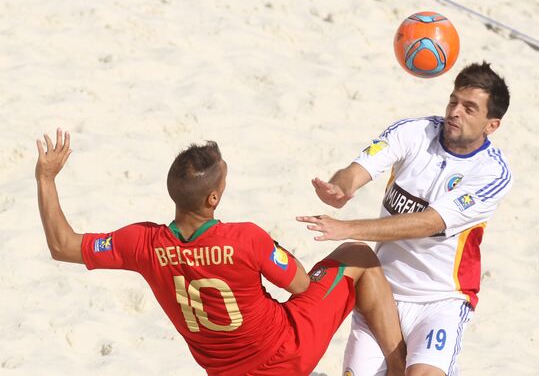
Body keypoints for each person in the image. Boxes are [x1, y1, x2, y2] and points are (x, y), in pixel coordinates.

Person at [35, 130, 406, 375]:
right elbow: (299, 283)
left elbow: (62, 245)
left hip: (224, 370)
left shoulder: (141, 243)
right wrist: (273, 250)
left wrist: (46, 178)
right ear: (214, 198)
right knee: (357, 254)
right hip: (287, 352)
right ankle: (399, 365)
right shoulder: (245, 238)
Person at [297, 62, 512, 376]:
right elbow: (357, 169)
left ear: (491, 125)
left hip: (440, 301)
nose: (455, 112)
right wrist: (340, 187)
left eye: (469, 108)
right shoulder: (413, 131)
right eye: (453, 101)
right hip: (380, 292)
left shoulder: (491, 172)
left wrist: (348, 228)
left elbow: (428, 222)